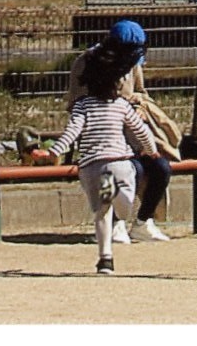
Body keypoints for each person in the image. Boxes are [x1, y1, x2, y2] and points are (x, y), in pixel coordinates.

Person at [65, 18, 180, 242]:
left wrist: (137, 106)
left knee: (161, 168)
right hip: (102, 139)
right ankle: (114, 222)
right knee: (130, 169)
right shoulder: (86, 63)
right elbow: (76, 104)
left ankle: (143, 222)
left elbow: (141, 92)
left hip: (132, 136)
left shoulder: (133, 64)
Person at [42, 64, 162, 275]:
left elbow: (72, 132)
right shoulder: (120, 105)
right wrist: (152, 150)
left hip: (95, 168)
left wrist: (55, 151)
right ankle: (105, 258)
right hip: (115, 164)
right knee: (119, 209)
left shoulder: (86, 106)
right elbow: (141, 130)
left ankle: (106, 253)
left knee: (103, 211)